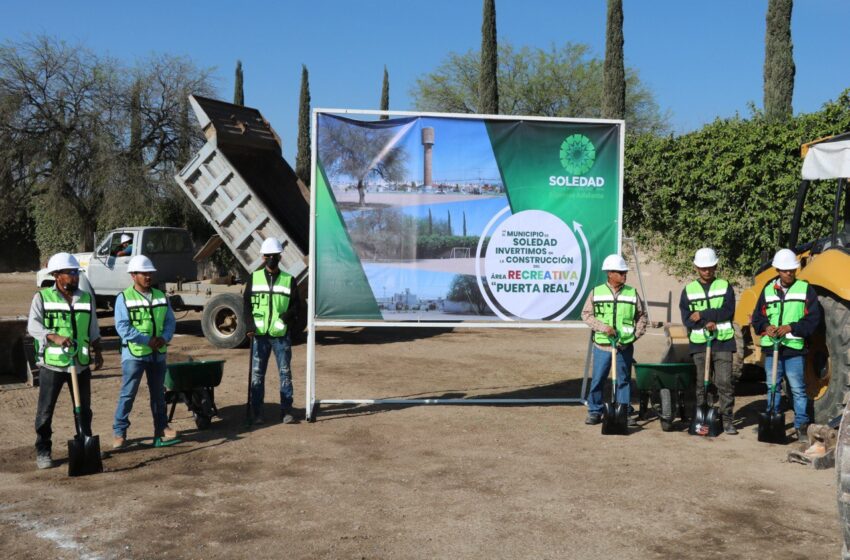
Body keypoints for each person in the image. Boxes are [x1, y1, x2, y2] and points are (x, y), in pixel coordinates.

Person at [27, 252, 103, 469]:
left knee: (84, 409)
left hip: (79, 364)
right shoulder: (42, 298)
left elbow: (93, 327)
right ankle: (43, 450)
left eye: (76, 272)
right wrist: (54, 336)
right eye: (70, 273)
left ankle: (86, 444)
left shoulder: (86, 298)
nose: (75, 276)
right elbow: (33, 326)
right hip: (53, 364)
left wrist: (98, 352)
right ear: (56, 275)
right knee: (45, 412)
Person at [751, 248, 822, 443]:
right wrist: (767, 326)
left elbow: (813, 319)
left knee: (798, 389)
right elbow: (757, 318)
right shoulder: (767, 290)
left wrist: (791, 327)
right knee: (772, 387)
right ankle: (773, 419)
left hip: (794, 349)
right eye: (785, 270)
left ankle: (801, 425)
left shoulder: (806, 290)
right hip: (772, 348)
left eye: (792, 270)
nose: (789, 273)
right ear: (778, 270)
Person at [112, 255, 179, 448]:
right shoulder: (123, 298)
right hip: (134, 354)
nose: (148, 276)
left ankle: (162, 428)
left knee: (158, 394)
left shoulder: (160, 296)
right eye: (144, 273)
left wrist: (164, 338)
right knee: (128, 394)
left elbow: (170, 321)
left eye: (150, 273)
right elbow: (122, 327)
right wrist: (147, 340)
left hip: (157, 354)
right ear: (133, 275)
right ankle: (119, 432)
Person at [581, 254, 647, 426]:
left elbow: (642, 317)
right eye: (620, 272)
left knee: (623, 381)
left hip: (624, 346)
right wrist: (604, 328)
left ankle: (622, 411)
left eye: (625, 272)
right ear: (610, 273)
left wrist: (633, 336)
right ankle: (595, 411)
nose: (624, 275)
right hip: (602, 345)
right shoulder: (596, 292)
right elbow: (586, 315)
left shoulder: (632, 293)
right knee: (598, 379)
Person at [679, 247, 738, 435]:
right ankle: (703, 413)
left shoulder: (724, 286)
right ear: (696, 267)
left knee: (724, 382)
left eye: (710, 267)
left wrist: (704, 315)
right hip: (699, 343)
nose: (707, 271)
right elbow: (688, 319)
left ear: (716, 266)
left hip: (723, 341)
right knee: (701, 383)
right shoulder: (689, 290)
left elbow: (728, 311)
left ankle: (728, 419)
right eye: (703, 268)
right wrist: (706, 324)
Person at [243, 238, 300, 424]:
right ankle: (257, 412)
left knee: (285, 373)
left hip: (280, 336)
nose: (271, 259)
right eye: (268, 256)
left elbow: (297, 306)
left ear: (280, 257)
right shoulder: (253, 278)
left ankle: (286, 411)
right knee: (257, 376)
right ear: (262, 257)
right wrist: (249, 326)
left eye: (274, 256)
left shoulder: (289, 280)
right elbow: (246, 306)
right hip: (259, 335)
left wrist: (286, 318)